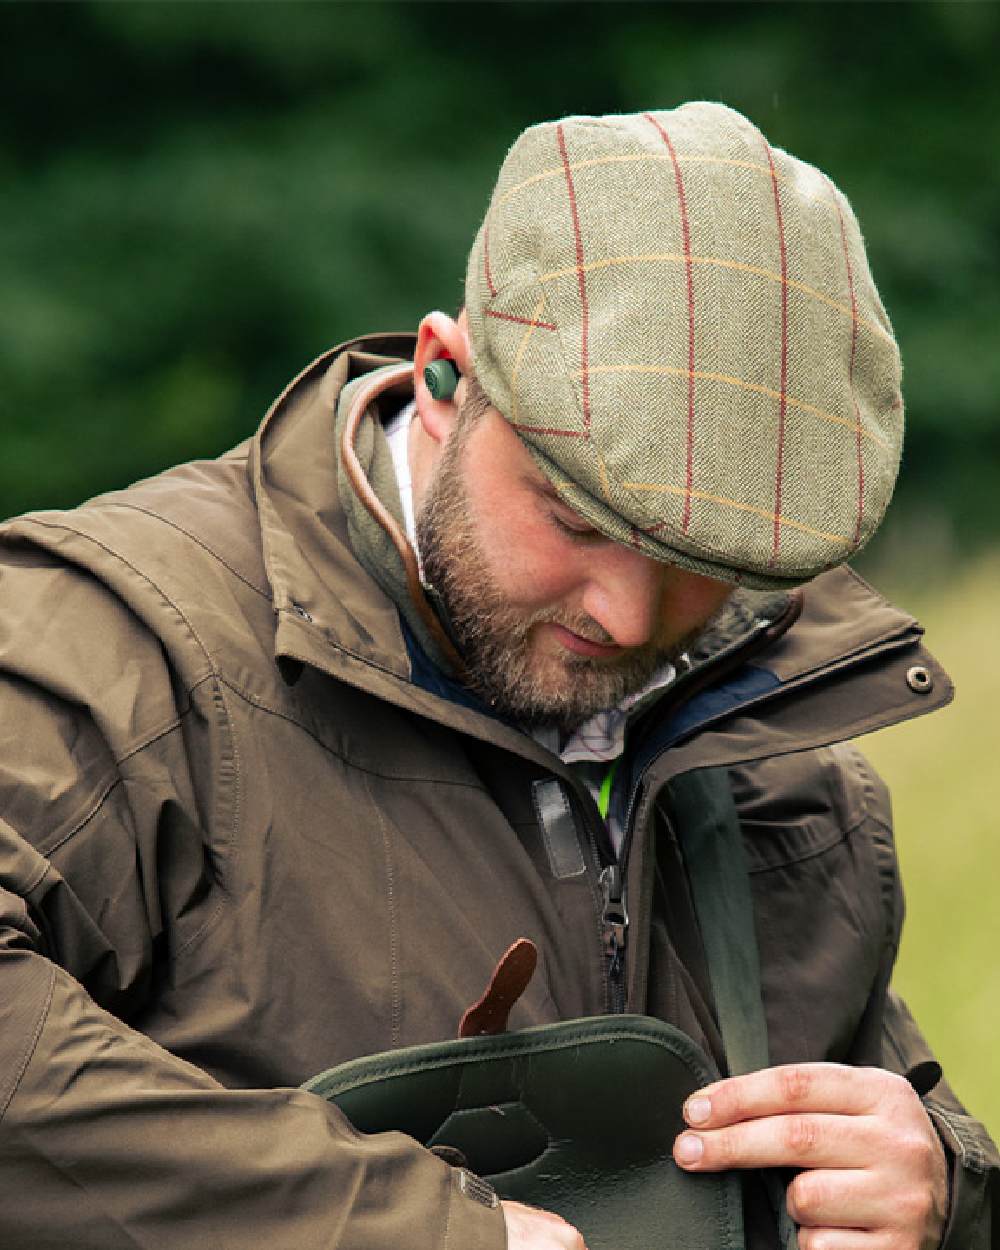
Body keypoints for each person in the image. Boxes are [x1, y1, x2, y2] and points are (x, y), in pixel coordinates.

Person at [0, 102, 995, 1250]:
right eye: (573, 516)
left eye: (703, 568)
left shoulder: (777, 755)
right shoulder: (116, 643)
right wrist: (403, 1229)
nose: (627, 613)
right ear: (441, 375)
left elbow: (874, 1130)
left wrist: (944, 1184)